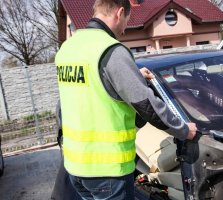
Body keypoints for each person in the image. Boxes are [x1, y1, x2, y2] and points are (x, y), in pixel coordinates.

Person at [55, 0, 197, 199]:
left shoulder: (68, 49)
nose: (125, 29)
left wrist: (132, 75)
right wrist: (184, 130)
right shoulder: (110, 50)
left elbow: (90, 87)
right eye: (127, 21)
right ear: (120, 13)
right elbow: (147, 105)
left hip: (75, 167)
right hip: (107, 171)